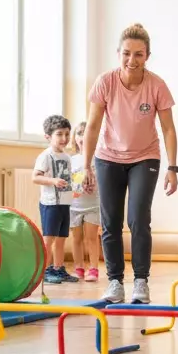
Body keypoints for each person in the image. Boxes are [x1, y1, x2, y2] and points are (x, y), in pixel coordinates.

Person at [83, 24, 178, 305]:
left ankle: (140, 281)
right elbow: (92, 126)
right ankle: (114, 282)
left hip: (145, 157)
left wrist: (173, 168)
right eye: (126, 53)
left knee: (138, 218)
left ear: (147, 55)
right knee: (110, 221)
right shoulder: (105, 82)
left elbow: (169, 129)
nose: (131, 60)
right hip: (108, 157)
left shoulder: (156, 85)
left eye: (138, 54)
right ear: (118, 53)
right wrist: (85, 165)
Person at [34, 114, 79, 285]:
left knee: (61, 239)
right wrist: (52, 181)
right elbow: (35, 177)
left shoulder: (67, 157)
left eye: (67, 134)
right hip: (50, 203)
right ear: (48, 137)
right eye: (59, 134)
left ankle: (59, 269)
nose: (64, 138)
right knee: (49, 239)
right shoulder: (46, 156)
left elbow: (67, 178)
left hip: (64, 203)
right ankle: (45, 271)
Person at [69, 121, 101, 283]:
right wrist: (77, 186)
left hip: (93, 206)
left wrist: (93, 185)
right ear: (74, 138)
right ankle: (78, 268)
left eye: (86, 133)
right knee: (76, 238)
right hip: (74, 206)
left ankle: (94, 268)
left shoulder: (98, 159)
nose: (82, 137)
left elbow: (102, 182)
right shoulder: (71, 160)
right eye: (79, 134)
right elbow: (67, 183)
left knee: (91, 238)